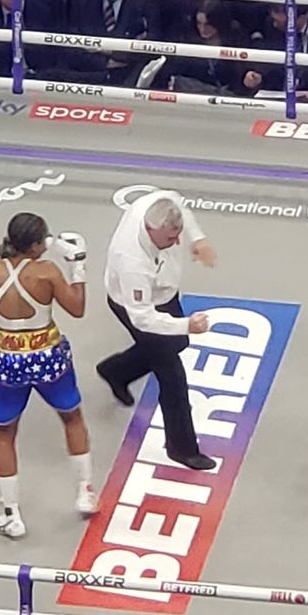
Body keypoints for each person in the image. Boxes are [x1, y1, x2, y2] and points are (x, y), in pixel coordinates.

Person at [0, 212, 97, 539]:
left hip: (7, 359)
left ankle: (11, 514)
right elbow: (77, 307)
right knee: (72, 418)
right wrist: (78, 266)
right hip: (46, 356)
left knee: (4, 433)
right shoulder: (46, 273)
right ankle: (85, 492)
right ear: (35, 245)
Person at [98, 191, 218, 470]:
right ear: (150, 230)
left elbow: (180, 205)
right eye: (170, 238)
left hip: (164, 294)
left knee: (177, 343)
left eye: (178, 236)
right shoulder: (131, 261)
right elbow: (142, 319)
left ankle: (117, 370)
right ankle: (182, 448)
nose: (176, 242)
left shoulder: (158, 204)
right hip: (134, 306)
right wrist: (187, 325)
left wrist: (197, 238)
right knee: (172, 376)